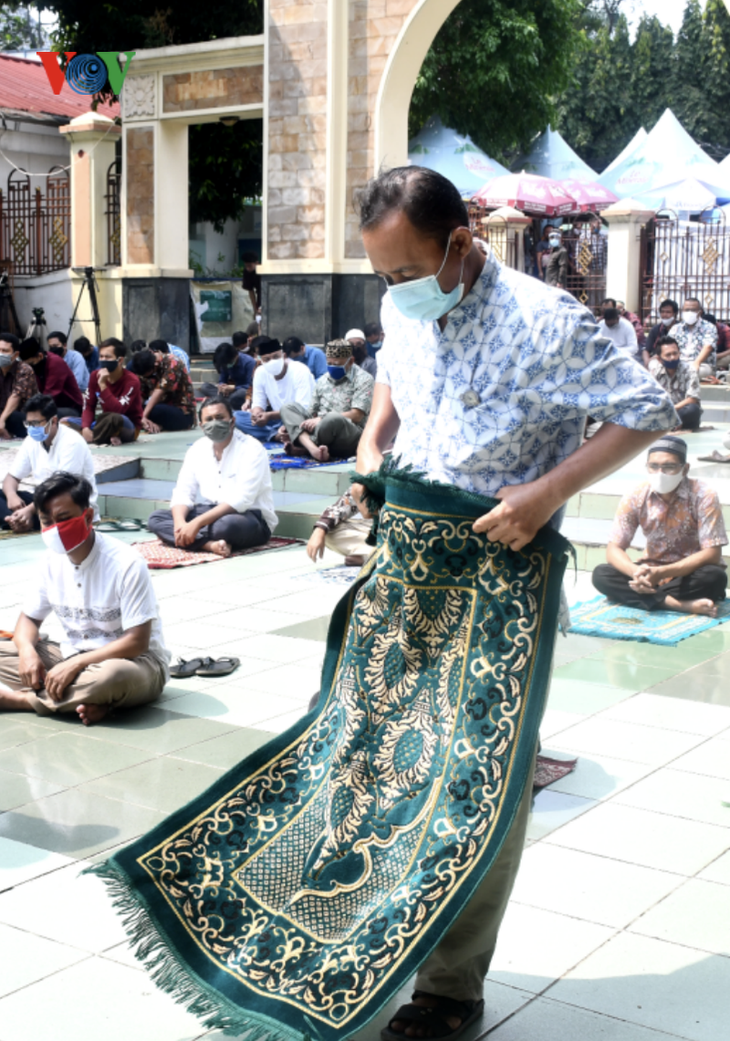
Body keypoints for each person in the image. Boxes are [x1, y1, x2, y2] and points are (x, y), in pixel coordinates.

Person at [353, 165, 676, 1038]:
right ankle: (388, 931)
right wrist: (375, 440)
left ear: (461, 243)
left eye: (405, 274)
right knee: (385, 762)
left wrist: (545, 493)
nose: (395, 294)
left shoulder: (547, 320)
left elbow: (647, 408)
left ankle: (450, 989)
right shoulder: (398, 305)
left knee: (479, 780)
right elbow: (395, 363)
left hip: (502, 574)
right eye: (382, 278)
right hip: (413, 563)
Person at [0, 470, 169, 725]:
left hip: (134, 663)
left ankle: (22, 700)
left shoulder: (126, 563)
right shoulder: (50, 561)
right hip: (73, 654)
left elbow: (137, 642)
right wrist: (26, 652)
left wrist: (77, 664)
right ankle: (96, 701)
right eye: (47, 521)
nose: (54, 529)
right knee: (14, 648)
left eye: (63, 518)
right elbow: (28, 621)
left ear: (88, 516)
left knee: (110, 677)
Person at [592, 436, 727, 617]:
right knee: (601, 574)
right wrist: (636, 573)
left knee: (714, 578)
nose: (660, 472)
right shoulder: (635, 495)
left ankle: (641, 597)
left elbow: (712, 553)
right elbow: (613, 548)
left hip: (687, 574)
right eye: (653, 466)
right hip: (649, 573)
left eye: (669, 467)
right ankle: (677, 605)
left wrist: (662, 573)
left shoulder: (704, 495)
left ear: (685, 469)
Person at [147, 396, 277, 558]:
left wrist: (196, 523)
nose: (214, 423)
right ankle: (209, 545)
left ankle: (192, 538)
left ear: (232, 421)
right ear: (201, 426)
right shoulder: (197, 449)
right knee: (156, 518)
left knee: (227, 526)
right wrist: (180, 524)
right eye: (209, 419)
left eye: (220, 418)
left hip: (249, 517)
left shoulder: (252, 448)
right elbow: (183, 492)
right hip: (210, 510)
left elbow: (242, 500)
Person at [1, 394, 98, 532]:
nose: (31, 428)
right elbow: (11, 478)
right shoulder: (31, 440)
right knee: (5, 496)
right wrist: (12, 496)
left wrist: (29, 510)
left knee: (59, 511)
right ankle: (21, 520)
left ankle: (22, 520)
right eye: (28, 423)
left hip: (69, 503)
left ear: (53, 421)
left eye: (36, 423)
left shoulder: (72, 442)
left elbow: (62, 489)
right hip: (41, 502)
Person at [280, 339, 374, 462]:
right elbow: (311, 413)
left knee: (332, 418)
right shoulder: (323, 380)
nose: (332, 367)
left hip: (348, 435)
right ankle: (313, 449)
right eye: (329, 364)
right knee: (288, 408)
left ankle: (303, 445)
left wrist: (319, 420)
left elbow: (356, 416)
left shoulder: (364, 379)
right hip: (320, 432)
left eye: (337, 364)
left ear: (350, 361)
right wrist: (293, 423)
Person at [234, 335, 314, 442]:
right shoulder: (260, 372)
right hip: (277, 420)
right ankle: (279, 435)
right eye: (267, 359)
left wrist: (269, 416)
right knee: (237, 417)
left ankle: (279, 434)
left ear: (283, 355)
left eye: (276, 357)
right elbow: (258, 403)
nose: (272, 361)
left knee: (304, 424)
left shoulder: (300, 370)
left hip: (299, 419)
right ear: (261, 361)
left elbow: (303, 409)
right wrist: (257, 416)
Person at [78, 337, 143, 445]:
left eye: (108, 357)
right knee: (65, 421)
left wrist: (103, 385)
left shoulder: (132, 380)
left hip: (126, 425)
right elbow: (89, 406)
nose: (103, 360)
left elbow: (118, 411)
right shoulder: (95, 375)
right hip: (104, 422)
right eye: (101, 356)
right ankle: (101, 436)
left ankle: (96, 437)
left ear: (120, 360)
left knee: (114, 418)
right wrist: (85, 427)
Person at [131, 346, 195, 432]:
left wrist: (143, 416)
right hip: (160, 407)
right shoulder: (144, 368)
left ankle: (152, 424)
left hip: (181, 411)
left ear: (155, 364)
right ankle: (152, 425)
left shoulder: (172, 362)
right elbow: (141, 394)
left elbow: (159, 391)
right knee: (131, 409)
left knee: (155, 410)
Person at [306, 486, 373, 567]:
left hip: (390, 533)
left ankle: (372, 557)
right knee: (328, 532)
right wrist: (319, 530)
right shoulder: (368, 480)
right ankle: (376, 555)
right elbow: (341, 507)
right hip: (376, 528)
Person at [18, 338, 82, 418]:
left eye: (31, 363)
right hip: (53, 405)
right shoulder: (39, 364)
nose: (30, 367)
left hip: (71, 408)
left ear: (40, 356)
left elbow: (50, 394)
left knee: (37, 416)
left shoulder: (55, 362)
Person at [648, 336, 702, 432]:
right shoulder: (654, 371)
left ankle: (672, 425)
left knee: (693, 409)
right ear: (659, 359)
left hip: (681, 412)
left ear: (679, 353)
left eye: (675, 353)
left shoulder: (689, 370)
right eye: (668, 355)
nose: (673, 357)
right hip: (662, 412)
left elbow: (693, 399)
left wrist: (672, 409)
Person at [0, 332, 37, 439]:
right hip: (3, 416)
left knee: (12, 417)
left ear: (15, 355)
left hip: (24, 416)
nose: (0, 354)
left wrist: (1, 420)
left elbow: (16, 396)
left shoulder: (24, 369)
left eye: (5, 351)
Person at [199, 341, 256, 410]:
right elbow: (222, 378)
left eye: (229, 363)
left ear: (235, 356)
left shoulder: (249, 362)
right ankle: (225, 401)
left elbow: (251, 385)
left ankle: (221, 400)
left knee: (240, 393)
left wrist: (234, 388)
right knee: (205, 387)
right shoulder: (225, 363)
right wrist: (222, 386)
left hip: (244, 390)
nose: (228, 366)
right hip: (229, 392)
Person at [671, 298, 718, 378]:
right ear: (682, 311)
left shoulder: (709, 327)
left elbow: (708, 347)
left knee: (699, 372)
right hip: (679, 363)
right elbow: (668, 346)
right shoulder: (676, 328)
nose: (689, 312)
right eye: (687, 310)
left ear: (700, 312)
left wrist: (696, 363)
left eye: (693, 310)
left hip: (701, 365)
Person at [643, 299, 678, 365]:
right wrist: (647, 362)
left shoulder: (681, 329)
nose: (664, 315)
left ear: (675, 314)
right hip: (655, 362)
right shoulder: (655, 329)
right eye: (662, 312)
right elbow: (646, 349)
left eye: (668, 312)